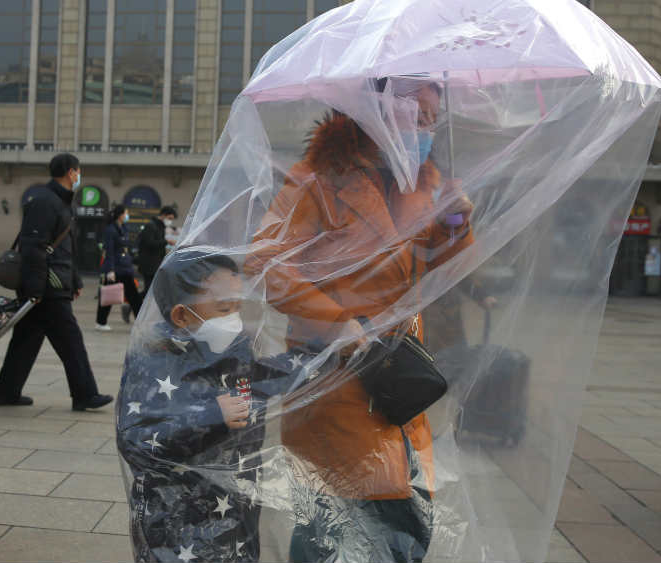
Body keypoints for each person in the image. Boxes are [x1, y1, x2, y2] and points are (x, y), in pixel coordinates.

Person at [245, 78, 475, 563]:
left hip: (398, 372)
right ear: (381, 111)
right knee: (337, 520)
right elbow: (267, 263)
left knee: (403, 516)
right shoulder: (319, 177)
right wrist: (335, 322)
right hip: (334, 372)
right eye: (421, 116)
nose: (427, 129)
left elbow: (431, 266)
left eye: (434, 119)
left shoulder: (422, 182)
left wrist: (454, 223)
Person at [117, 249, 294, 563]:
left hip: (237, 515)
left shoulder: (237, 350)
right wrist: (212, 416)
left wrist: (331, 350)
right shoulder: (154, 360)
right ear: (182, 316)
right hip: (177, 525)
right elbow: (137, 441)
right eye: (224, 308)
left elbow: (270, 378)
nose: (234, 319)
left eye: (238, 306)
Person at [0, 153, 113, 411]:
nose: (79, 176)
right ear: (71, 172)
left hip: (50, 285)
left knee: (25, 341)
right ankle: (85, 394)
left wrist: (75, 280)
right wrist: (35, 290)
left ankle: (5, 392)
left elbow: (63, 248)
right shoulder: (45, 202)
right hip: (47, 288)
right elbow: (34, 247)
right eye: (78, 171)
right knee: (71, 341)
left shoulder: (59, 202)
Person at [96, 204, 144, 331]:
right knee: (108, 296)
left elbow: (125, 248)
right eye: (126, 213)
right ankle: (100, 322)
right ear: (120, 215)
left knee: (133, 296)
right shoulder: (110, 230)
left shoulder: (123, 228)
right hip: (115, 268)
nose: (127, 215)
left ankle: (140, 322)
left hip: (124, 268)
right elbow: (109, 251)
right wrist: (110, 270)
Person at [136, 205, 179, 297]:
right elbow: (150, 243)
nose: (170, 221)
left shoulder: (160, 227)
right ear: (163, 215)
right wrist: (166, 241)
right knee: (149, 291)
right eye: (169, 218)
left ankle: (135, 304)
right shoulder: (151, 226)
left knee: (151, 290)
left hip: (155, 263)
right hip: (148, 264)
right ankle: (135, 303)